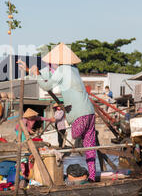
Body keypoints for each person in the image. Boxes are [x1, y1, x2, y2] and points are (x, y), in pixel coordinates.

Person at [18, 42, 96, 182]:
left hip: (79, 113)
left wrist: (35, 74)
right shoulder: (73, 69)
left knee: (75, 133)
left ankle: (84, 148)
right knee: (90, 147)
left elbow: (47, 84)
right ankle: (91, 176)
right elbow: (48, 75)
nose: (50, 64)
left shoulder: (62, 70)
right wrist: (32, 71)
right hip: (90, 112)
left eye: (51, 62)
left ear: (58, 61)